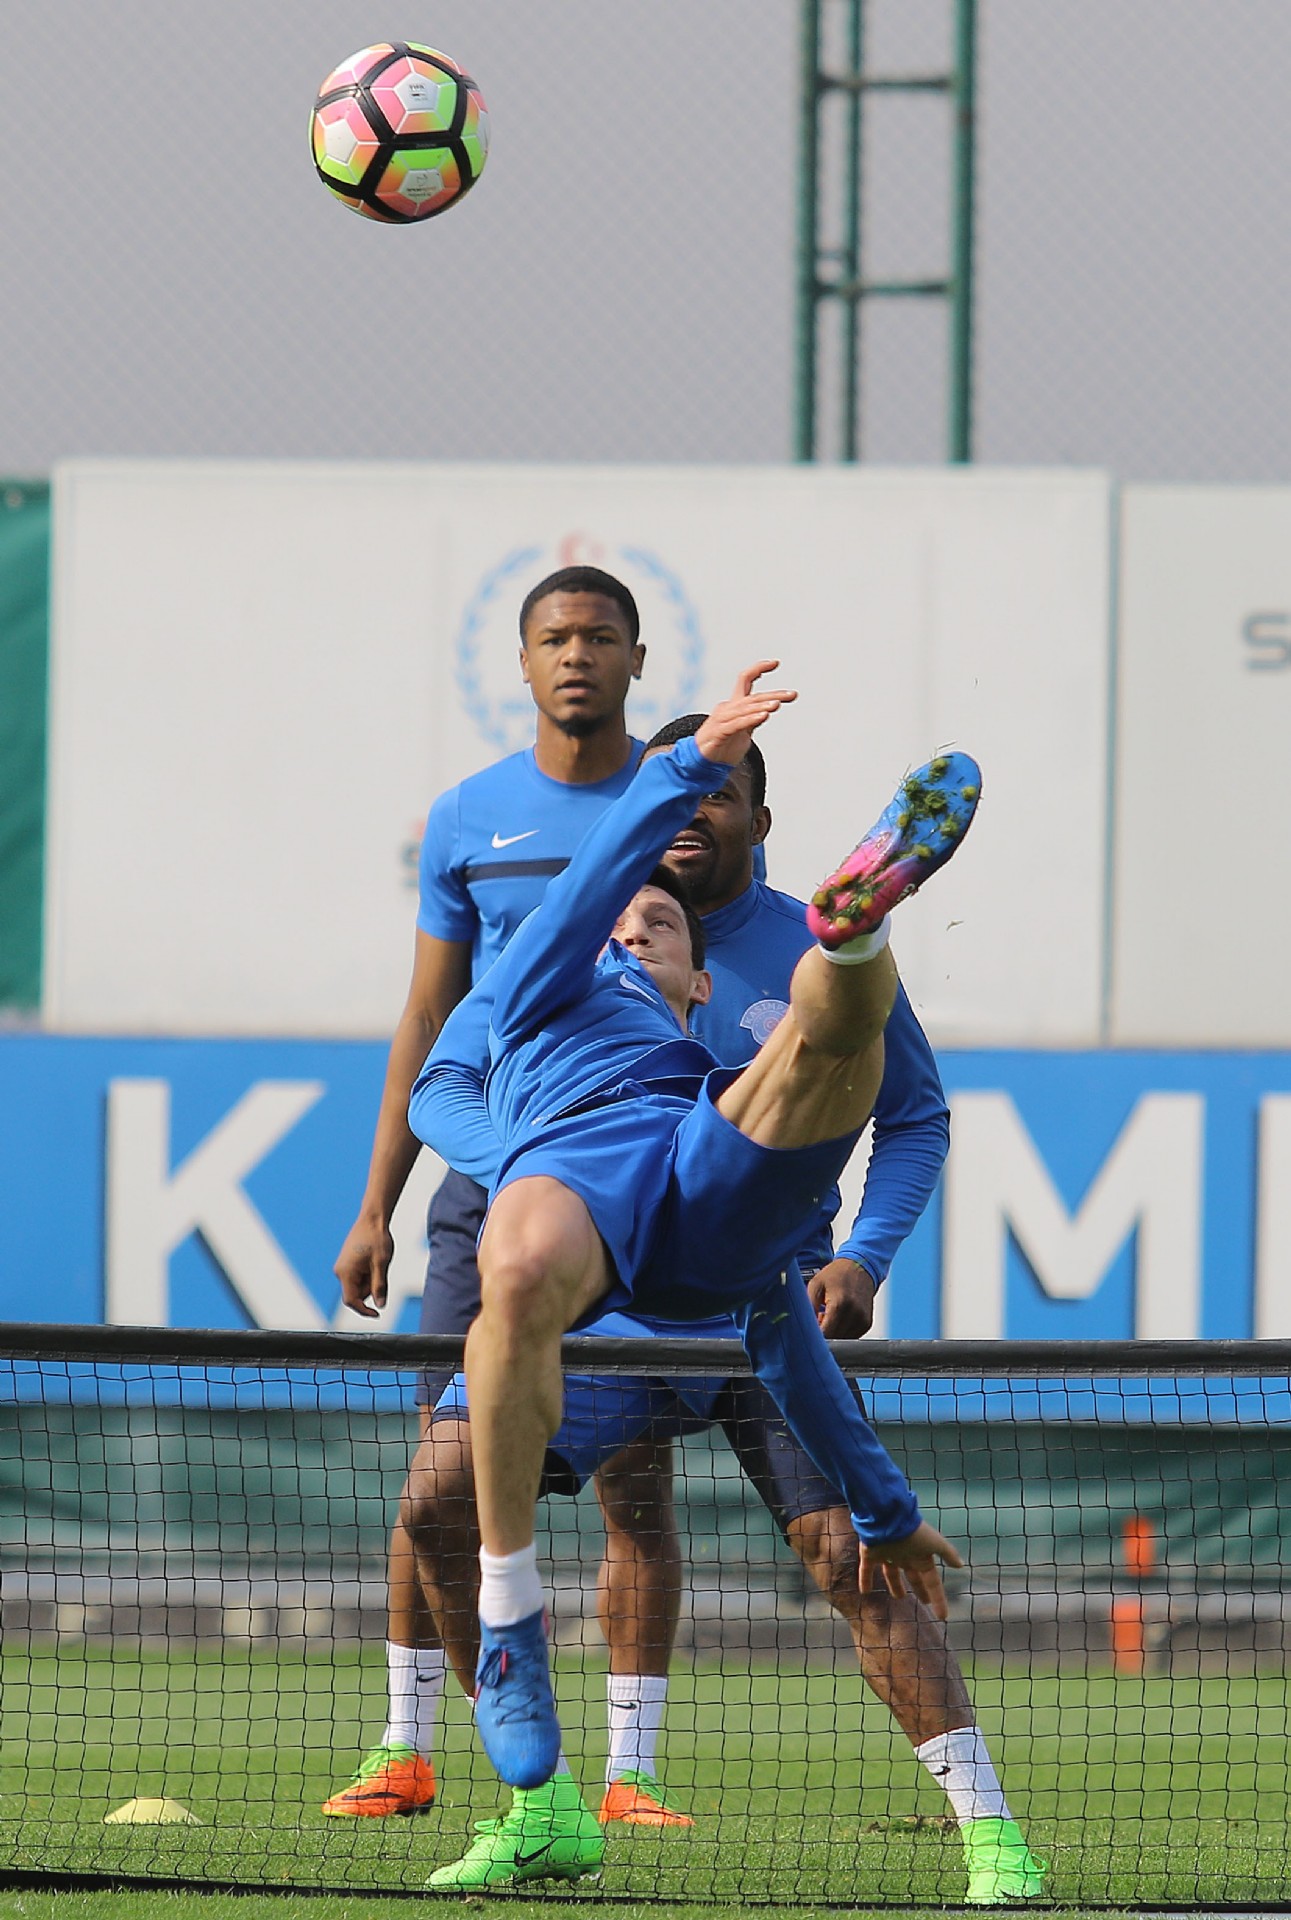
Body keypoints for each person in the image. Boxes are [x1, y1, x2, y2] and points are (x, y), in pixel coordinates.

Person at [410, 665, 1047, 1900]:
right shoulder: (541, 961)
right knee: (442, 1483)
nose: (632, 927)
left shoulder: (703, 1007)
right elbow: (450, 1077)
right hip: (593, 1251)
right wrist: (689, 757)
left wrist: (865, 1268)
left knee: (818, 1047)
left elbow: (891, 1149)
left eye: (654, 927)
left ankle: (858, 936)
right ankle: (539, 1789)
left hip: (728, 1216)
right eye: (618, 916)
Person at [326, 563, 665, 1817]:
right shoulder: (468, 816)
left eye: (600, 636)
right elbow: (428, 1014)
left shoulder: (672, 796)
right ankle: (408, 1745)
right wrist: (377, 1204)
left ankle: (627, 1773)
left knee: (637, 1487)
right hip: (491, 1189)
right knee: (440, 1475)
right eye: (554, 638)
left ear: (636, 660)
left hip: (629, 1181)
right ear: (521, 663)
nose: (577, 655)